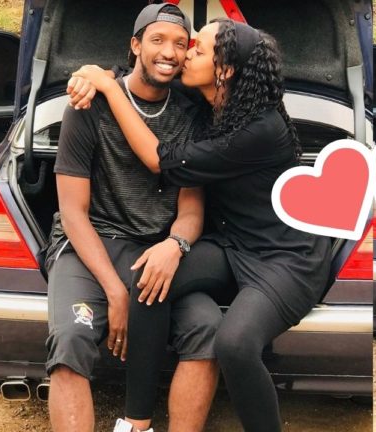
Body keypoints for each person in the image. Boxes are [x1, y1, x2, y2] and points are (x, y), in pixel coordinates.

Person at [69, 17, 333, 432]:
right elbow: (142, 75)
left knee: (235, 344)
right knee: (150, 279)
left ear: (224, 70)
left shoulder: (261, 128)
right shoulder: (212, 102)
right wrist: (95, 74)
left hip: (285, 259)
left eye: (197, 49)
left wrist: (108, 89)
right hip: (231, 244)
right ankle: (136, 423)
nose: (185, 55)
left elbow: (161, 161)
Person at [46, 4, 221, 432]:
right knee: (71, 338)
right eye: (158, 40)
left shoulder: (193, 115)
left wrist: (175, 245)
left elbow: (191, 210)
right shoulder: (87, 105)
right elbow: (73, 212)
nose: (169, 52)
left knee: (208, 327)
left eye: (180, 44)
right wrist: (115, 291)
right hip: (90, 246)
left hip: (155, 253)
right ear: (135, 45)